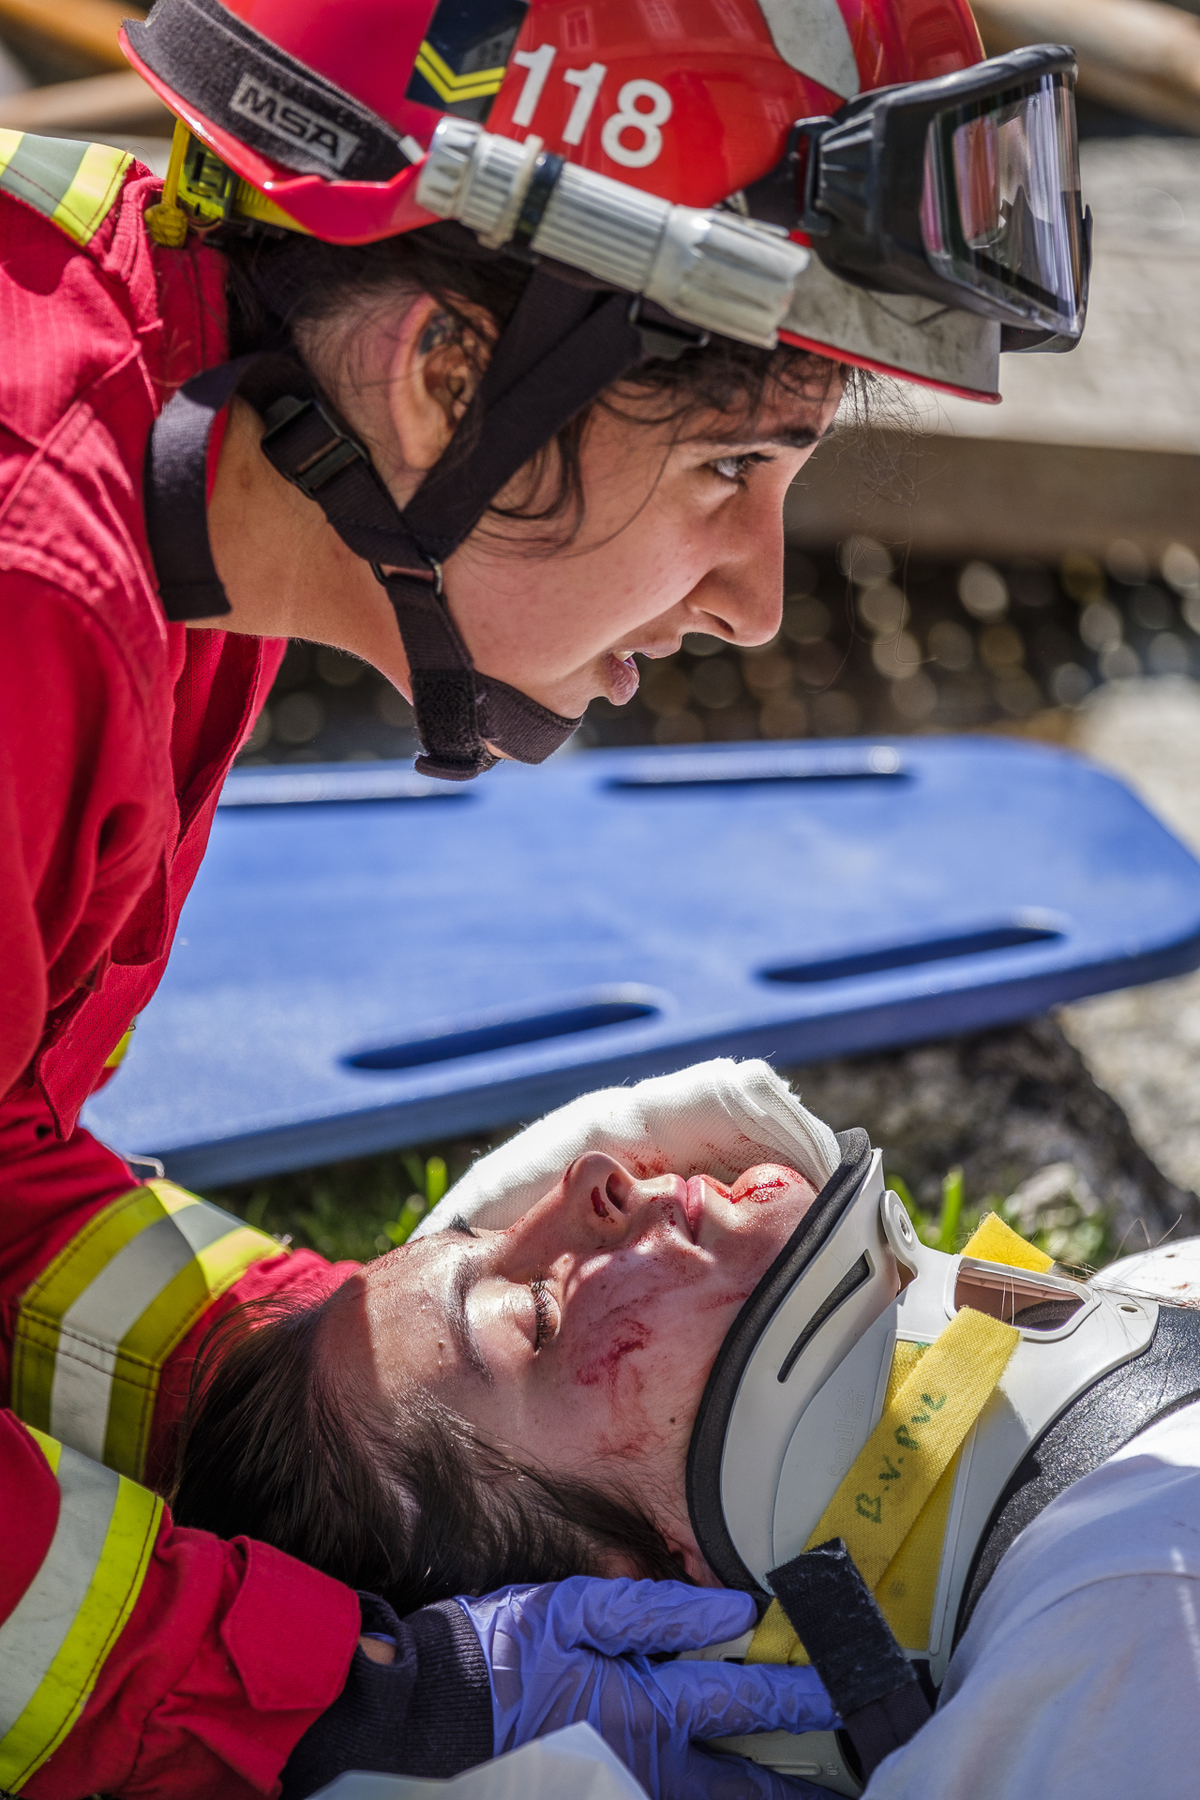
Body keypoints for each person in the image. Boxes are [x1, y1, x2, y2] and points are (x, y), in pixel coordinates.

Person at [0, 0, 1090, 1787]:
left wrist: (339, 1397)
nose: (753, 597)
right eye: (733, 467)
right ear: (444, 375)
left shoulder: (156, 470)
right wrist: (350, 1697)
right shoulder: (28, 593)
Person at [177, 1062, 1200, 1800]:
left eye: (496, 1226)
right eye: (535, 1312)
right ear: (630, 1598)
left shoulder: (1114, 1572)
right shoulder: (1128, 1623)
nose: (588, 1177)